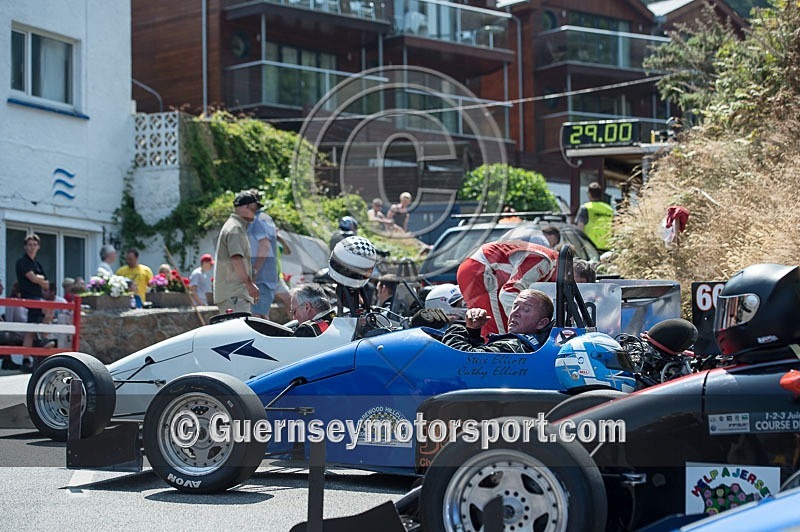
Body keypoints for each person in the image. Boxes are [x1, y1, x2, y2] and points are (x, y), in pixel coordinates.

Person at [457, 240, 558, 338]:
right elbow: (508, 292)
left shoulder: (548, 260)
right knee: (499, 334)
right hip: (480, 269)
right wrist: (527, 325)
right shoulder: (545, 261)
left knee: (494, 328)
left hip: (477, 267)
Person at [442, 289, 554, 353]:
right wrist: (472, 331)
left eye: (526, 309)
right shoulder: (527, 346)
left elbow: (460, 358)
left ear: (541, 323)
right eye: (515, 306)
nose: (515, 313)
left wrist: (458, 326)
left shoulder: (512, 347)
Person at [214, 190, 261, 313]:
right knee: (238, 331)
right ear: (244, 207)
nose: (255, 212)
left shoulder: (234, 225)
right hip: (234, 295)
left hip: (232, 294)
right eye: (254, 208)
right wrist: (249, 284)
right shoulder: (236, 228)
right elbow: (236, 258)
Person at [15, 233, 49, 354]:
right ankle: (43, 339)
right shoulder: (22, 261)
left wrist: (38, 279)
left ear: (38, 247)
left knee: (30, 329)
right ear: (25, 247)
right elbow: (32, 278)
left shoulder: (37, 264)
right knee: (48, 309)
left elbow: (47, 284)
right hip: (28, 298)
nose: (32, 247)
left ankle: (26, 359)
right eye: (29, 244)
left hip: (37, 298)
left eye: (35, 244)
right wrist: (39, 279)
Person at [247, 197, 280, 319]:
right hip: (267, 277)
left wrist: (254, 271)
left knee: (257, 316)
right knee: (262, 315)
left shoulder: (257, 221)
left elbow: (264, 247)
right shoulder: (266, 218)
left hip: (261, 278)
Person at [575, 182, 614, 252]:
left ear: (589, 194)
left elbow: (579, 230)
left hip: (590, 249)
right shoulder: (609, 209)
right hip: (607, 248)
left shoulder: (585, 207)